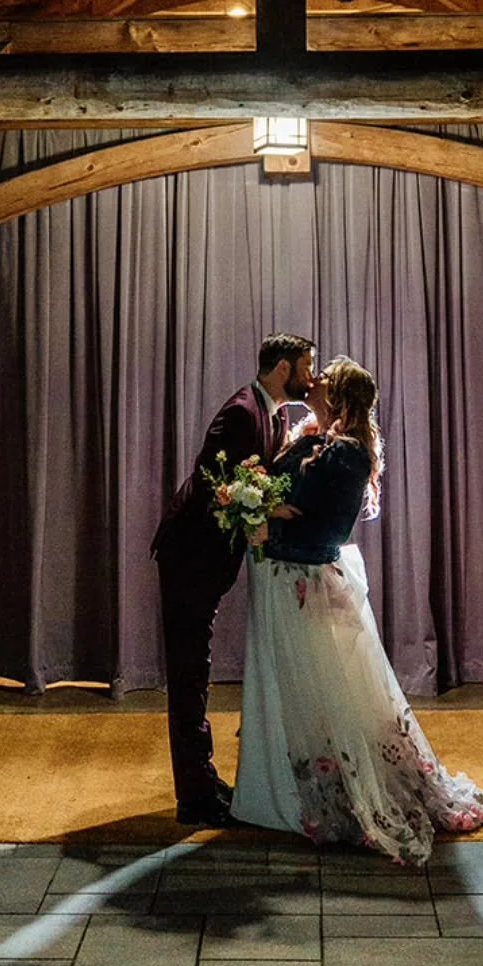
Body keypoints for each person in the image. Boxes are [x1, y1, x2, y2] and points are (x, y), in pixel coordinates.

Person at [233, 356, 483, 864]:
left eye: (322, 381)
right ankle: (287, 788)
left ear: (341, 398)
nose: (312, 383)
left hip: (309, 581)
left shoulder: (348, 455)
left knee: (332, 695)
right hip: (283, 582)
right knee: (298, 694)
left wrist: (274, 528)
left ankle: (340, 795)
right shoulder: (307, 438)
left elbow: (329, 530)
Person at [151, 331, 316, 825]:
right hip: (189, 559)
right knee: (188, 677)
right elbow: (212, 485)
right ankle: (194, 797)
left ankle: (201, 780)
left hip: (207, 562)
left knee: (195, 672)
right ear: (283, 368)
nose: (313, 376)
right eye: (308, 366)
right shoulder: (244, 411)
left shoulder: (276, 413)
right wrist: (267, 507)